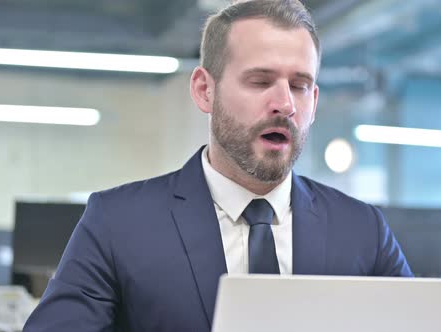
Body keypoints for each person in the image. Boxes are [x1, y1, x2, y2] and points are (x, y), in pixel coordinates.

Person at [23, 1, 412, 331]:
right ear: (204, 90)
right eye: (261, 81)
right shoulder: (117, 223)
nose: (285, 104)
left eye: (300, 85)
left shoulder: (363, 231)